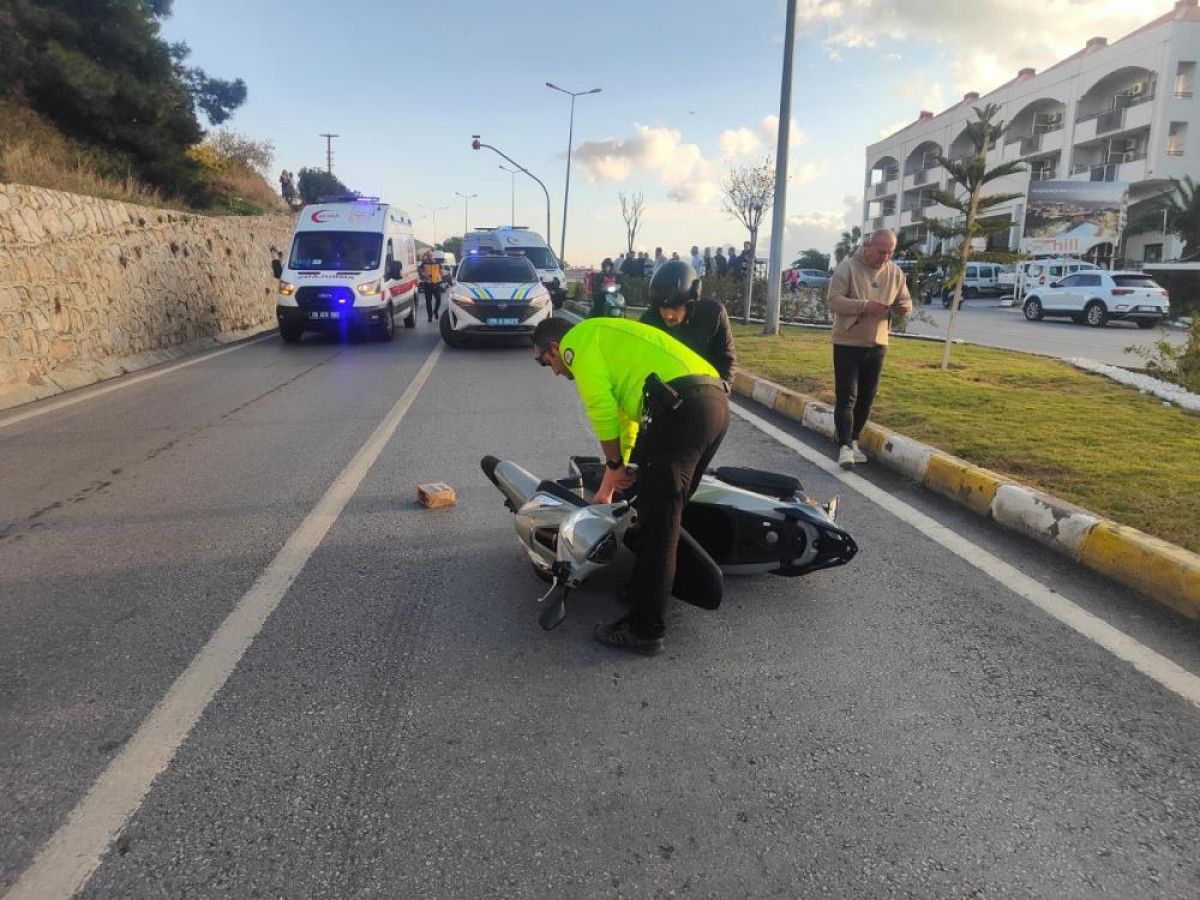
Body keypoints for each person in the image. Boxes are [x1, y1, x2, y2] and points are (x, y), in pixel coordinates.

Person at [532, 316, 729, 654]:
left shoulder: (577, 342)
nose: (553, 371)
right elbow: (627, 419)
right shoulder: (604, 335)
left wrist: (612, 464)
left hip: (678, 409)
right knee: (661, 513)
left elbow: (602, 408)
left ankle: (645, 629)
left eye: (544, 361)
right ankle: (644, 590)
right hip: (713, 403)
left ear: (554, 347)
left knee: (658, 527)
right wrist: (619, 471)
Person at [826, 228, 911, 469]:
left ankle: (853, 441)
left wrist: (903, 307)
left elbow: (906, 300)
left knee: (867, 397)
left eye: (890, 252)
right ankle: (844, 447)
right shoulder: (847, 267)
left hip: (878, 344)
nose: (885, 257)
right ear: (867, 246)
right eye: (881, 251)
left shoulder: (895, 272)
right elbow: (833, 300)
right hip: (848, 343)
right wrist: (864, 306)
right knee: (847, 396)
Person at [640, 260, 736, 385]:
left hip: (704, 385)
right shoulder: (649, 320)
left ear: (690, 303)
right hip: (664, 386)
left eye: (675, 308)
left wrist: (721, 390)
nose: (668, 315)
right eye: (663, 308)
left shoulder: (713, 315)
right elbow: (640, 360)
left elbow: (726, 361)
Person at [418, 250, 443, 322]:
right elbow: (420, 272)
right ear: (427, 256)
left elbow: (441, 272)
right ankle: (430, 317)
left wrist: (441, 276)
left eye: (430, 255)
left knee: (438, 300)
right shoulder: (424, 264)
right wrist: (423, 275)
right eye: (428, 255)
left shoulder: (438, 263)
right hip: (427, 284)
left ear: (432, 255)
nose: (429, 256)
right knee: (428, 302)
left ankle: (435, 311)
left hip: (436, 284)